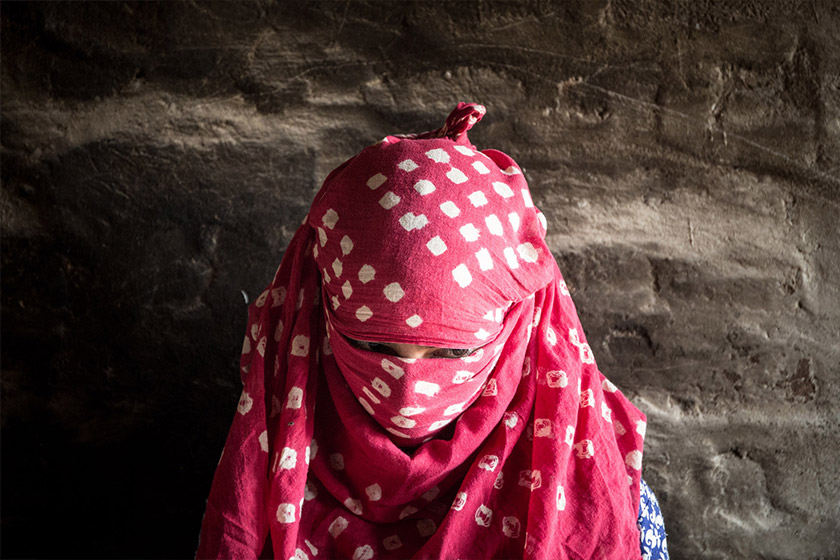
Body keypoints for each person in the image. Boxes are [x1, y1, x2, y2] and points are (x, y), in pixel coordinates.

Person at [196, 103, 668, 559]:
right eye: (372, 346)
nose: (407, 394)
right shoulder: (262, 465)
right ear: (319, 318)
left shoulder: (614, 505)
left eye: (449, 357)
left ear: (515, 331)